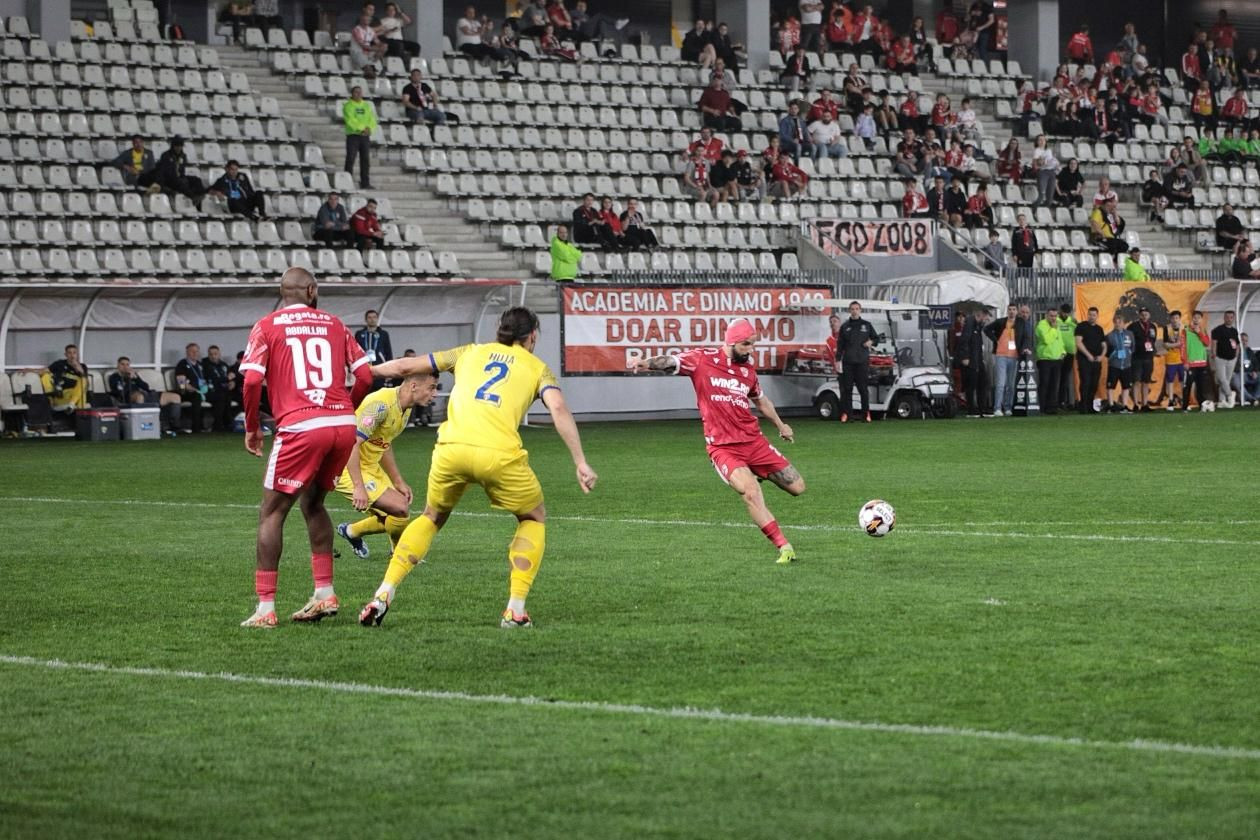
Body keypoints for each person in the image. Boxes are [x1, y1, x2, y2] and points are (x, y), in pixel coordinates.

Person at [361, 307, 596, 627]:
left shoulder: (468, 352)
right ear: (532, 337)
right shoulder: (538, 368)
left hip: (451, 449)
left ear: (500, 329)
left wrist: (365, 371)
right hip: (498, 455)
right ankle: (515, 609)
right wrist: (580, 460)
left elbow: (404, 366)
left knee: (431, 516)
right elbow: (558, 407)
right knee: (533, 516)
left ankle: (383, 594)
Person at [237, 267, 373, 628]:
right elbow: (365, 376)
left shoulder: (266, 326)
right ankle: (324, 592)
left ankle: (265, 609)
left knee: (271, 513)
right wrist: (345, 409)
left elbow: (251, 380)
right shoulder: (335, 324)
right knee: (313, 504)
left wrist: (253, 428)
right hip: (341, 424)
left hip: (301, 425)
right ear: (311, 290)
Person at [629, 319, 803, 564]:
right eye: (746, 345)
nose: (750, 350)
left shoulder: (747, 372)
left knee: (797, 487)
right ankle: (784, 546)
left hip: (754, 442)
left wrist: (781, 425)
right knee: (751, 492)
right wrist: (645, 363)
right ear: (731, 342)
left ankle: (755, 471)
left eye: (753, 345)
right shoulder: (702, 359)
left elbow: (762, 402)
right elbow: (671, 362)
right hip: (723, 448)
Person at [333, 373, 438, 560]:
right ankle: (399, 553)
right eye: (431, 387)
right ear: (414, 386)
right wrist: (359, 487)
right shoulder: (380, 405)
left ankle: (351, 531)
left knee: (396, 513)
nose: (435, 393)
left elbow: (384, 443)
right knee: (399, 508)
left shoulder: (404, 408)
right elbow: (351, 444)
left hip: (369, 465)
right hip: (346, 464)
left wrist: (398, 481)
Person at [108, 356, 182, 435]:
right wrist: (128, 379)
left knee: (175, 397)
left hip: (147, 394)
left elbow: (146, 387)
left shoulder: (134, 375)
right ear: (118, 366)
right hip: (130, 396)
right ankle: (142, 426)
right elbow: (121, 391)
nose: (125, 367)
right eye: (122, 364)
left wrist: (136, 378)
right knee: (140, 397)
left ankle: (174, 426)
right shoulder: (114, 377)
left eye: (127, 364)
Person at [837, 301, 877, 423]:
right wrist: (837, 360)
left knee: (863, 389)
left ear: (860, 310)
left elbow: (876, 338)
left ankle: (865, 415)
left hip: (862, 361)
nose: (855, 311)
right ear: (849, 310)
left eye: (857, 308)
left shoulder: (867, 325)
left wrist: (871, 342)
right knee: (847, 389)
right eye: (852, 309)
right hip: (848, 362)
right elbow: (840, 345)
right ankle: (848, 415)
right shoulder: (845, 326)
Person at [983, 304, 1026, 416]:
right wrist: (995, 340)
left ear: (1017, 311)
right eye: (1010, 310)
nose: (1012, 312)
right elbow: (986, 329)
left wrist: (1023, 348)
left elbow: (1025, 336)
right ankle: (997, 407)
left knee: (1010, 384)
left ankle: (1007, 407)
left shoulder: (1021, 322)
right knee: (1000, 383)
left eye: (1014, 309)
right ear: (1007, 311)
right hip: (1001, 355)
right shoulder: (1000, 322)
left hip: (1014, 356)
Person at [138, 137, 205, 205]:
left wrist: (183, 177)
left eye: (180, 146)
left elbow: (182, 169)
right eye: (176, 146)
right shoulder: (166, 155)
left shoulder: (183, 156)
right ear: (173, 146)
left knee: (196, 179)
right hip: (168, 178)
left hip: (178, 176)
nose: (178, 148)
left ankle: (201, 195)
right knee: (178, 182)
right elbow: (165, 171)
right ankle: (192, 197)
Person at [39, 344, 89, 415]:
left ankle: (72, 406)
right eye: (69, 353)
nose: (72, 355)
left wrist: (76, 366)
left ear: (77, 354)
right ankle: (81, 419)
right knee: (82, 395)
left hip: (75, 395)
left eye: (74, 353)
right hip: (62, 395)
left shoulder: (83, 366)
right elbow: (43, 371)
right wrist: (29, 370)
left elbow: (85, 381)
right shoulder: (60, 364)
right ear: (65, 354)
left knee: (83, 381)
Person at [343, 86, 377, 190]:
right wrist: (362, 128)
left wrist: (370, 128)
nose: (358, 94)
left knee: (365, 160)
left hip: (365, 136)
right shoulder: (348, 106)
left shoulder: (366, 105)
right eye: (356, 92)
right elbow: (350, 120)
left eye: (360, 92)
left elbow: (372, 119)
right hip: (353, 135)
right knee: (351, 158)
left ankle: (365, 182)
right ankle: (346, 182)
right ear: (352, 94)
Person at [959, 309, 990, 416]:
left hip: (978, 359)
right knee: (971, 385)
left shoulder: (977, 326)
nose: (986, 320)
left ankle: (982, 408)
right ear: (981, 315)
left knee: (983, 382)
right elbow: (964, 341)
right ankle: (971, 409)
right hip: (971, 359)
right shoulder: (970, 323)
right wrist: (965, 357)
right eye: (986, 317)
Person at [1074, 307, 1105, 413]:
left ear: (1097, 316)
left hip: (1096, 360)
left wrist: (1102, 356)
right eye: (1090, 314)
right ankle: (1083, 406)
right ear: (1087, 315)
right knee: (1085, 382)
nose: (1091, 317)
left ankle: (1090, 406)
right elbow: (1078, 342)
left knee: (1094, 383)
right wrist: (1088, 355)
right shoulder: (1081, 326)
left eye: (1094, 315)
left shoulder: (1099, 329)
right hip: (1084, 360)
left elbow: (1104, 344)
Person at [1034, 307, 1065, 414]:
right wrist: (1053, 328)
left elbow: (1059, 340)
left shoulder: (1057, 324)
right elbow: (1047, 340)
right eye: (1051, 316)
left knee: (1054, 384)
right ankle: (1042, 407)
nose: (1053, 318)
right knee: (1044, 384)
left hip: (1057, 359)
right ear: (1046, 315)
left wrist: (1063, 352)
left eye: (1055, 316)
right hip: (1045, 359)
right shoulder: (1041, 325)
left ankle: (1052, 407)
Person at [174, 343, 210, 433]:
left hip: (201, 390)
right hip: (187, 392)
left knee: (219, 396)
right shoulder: (182, 364)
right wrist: (189, 388)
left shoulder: (200, 365)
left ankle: (219, 426)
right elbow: (181, 382)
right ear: (187, 353)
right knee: (196, 397)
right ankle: (197, 428)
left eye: (196, 351)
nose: (195, 353)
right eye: (192, 351)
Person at [1128, 305, 1158, 410]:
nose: (1144, 316)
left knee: (1146, 381)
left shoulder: (1153, 326)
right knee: (1136, 381)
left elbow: (1153, 341)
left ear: (1149, 315)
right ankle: (1136, 404)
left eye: (1146, 314)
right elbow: (1129, 341)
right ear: (1139, 315)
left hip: (1148, 358)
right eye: (1142, 314)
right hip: (1136, 357)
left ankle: (1145, 404)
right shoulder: (1133, 326)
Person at [355, 308, 394, 387]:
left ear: (377, 319)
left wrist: (390, 370)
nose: (372, 320)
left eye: (374, 317)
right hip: (364, 367)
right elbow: (354, 351)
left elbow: (388, 352)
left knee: (378, 390)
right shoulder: (359, 334)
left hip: (379, 367)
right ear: (366, 320)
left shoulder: (383, 334)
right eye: (369, 317)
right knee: (364, 391)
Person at [1104, 314, 1135, 412]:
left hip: (1126, 365)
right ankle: (1111, 405)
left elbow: (1132, 347)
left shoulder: (1129, 334)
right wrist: (1113, 354)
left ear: (1124, 323)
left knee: (1126, 386)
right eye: (1116, 322)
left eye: (1120, 322)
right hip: (1114, 365)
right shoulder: (1109, 336)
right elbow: (1106, 351)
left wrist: (1129, 353)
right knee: (1111, 386)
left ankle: (1124, 405)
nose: (1118, 324)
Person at [1211, 310, 1241, 407]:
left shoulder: (1234, 331)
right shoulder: (1218, 330)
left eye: (1231, 317)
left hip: (1232, 359)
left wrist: (1236, 355)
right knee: (1222, 379)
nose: (1229, 319)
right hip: (1220, 358)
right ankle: (1230, 394)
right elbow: (1214, 343)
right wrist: (1214, 354)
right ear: (1224, 318)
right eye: (1227, 317)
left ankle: (1221, 401)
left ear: (1233, 318)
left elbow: (1237, 344)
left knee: (1226, 381)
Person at [201, 344, 234, 431]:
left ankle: (229, 424)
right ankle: (219, 425)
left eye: (215, 354)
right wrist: (227, 378)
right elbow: (213, 378)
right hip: (210, 391)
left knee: (231, 396)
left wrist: (232, 382)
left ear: (219, 354)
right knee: (222, 397)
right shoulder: (205, 364)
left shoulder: (223, 365)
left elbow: (231, 376)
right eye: (211, 354)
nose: (213, 356)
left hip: (224, 391)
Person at [1184, 310, 1212, 410]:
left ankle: (1202, 405)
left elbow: (1207, 343)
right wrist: (1185, 361)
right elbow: (1183, 346)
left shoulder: (1203, 330)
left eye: (1198, 318)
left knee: (1201, 386)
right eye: (1195, 317)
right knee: (1188, 385)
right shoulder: (1186, 330)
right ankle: (1185, 406)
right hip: (1190, 363)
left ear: (1201, 319)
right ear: (1192, 318)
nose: (1196, 320)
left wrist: (1199, 333)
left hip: (1201, 362)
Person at [1160, 310, 1186, 409]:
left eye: (1177, 318)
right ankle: (1170, 400)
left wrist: (1173, 345)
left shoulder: (1184, 328)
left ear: (1180, 319)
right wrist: (1177, 344)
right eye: (1173, 318)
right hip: (1170, 358)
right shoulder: (1167, 328)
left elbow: (1186, 343)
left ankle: (1184, 400)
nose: (1175, 320)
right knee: (1170, 380)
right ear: (1170, 319)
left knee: (1183, 380)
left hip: (1182, 358)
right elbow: (1165, 344)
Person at [349, 11, 387, 77]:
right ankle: (371, 71)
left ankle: (376, 65)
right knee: (367, 65)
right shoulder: (356, 30)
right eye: (365, 19)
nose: (366, 21)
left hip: (368, 52)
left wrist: (382, 46)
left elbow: (377, 41)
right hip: (357, 52)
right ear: (361, 19)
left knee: (384, 47)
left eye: (368, 19)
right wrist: (376, 49)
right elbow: (363, 45)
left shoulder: (370, 30)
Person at [1055, 303, 1077, 411]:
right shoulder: (1056, 321)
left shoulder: (1072, 322)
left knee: (1065, 378)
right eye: (1064, 312)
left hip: (1069, 353)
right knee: (1055, 378)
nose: (1065, 314)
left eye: (1067, 312)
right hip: (1057, 353)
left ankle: (1062, 401)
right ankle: (1054, 401)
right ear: (1060, 311)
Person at [1233, 332, 1259, 404]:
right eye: (1242, 340)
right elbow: (1232, 365)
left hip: (1250, 374)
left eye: (1246, 340)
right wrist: (1237, 352)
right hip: (1238, 374)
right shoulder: (1234, 351)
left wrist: (1255, 371)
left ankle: (1255, 397)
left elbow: (1256, 363)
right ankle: (1252, 399)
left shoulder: (1249, 351)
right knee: (1236, 381)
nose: (1244, 342)